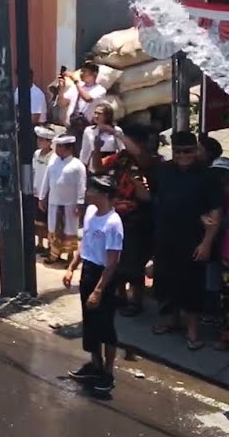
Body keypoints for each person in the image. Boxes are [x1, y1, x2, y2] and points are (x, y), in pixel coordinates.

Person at [141, 130, 221, 349]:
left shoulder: (207, 176)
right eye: (178, 152)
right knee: (165, 282)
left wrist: (206, 243)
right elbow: (153, 196)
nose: (183, 156)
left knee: (192, 286)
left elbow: (215, 213)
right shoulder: (164, 171)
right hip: (165, 237)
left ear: (195, 151)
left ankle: (192, 331)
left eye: (188, 151)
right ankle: (170, 320)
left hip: (193, 240)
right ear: (173, 152)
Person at [64, 175, 125, 394]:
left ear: (104, 194)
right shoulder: (90, 213)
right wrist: (72, 267)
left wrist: (98, 291)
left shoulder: (113, 224)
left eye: (92, 189)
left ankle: (108, 372)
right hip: (88, 271)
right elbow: (85, 242)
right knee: (89, 323)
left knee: (105, 326)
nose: (88, 192)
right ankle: (95, 365)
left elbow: (112, 263)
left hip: (103, 277)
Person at [39, 134, 87, 265]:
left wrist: (80, 203)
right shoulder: (53, 161)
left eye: (60, 146)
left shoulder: (77, 165)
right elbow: (46, 179)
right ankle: (54, 254)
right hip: (54, 202)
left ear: (68, 148)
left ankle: (71, 257)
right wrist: (42, 197)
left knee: (69, 230)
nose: (57, 149)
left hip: (70, 204)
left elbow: (81, 185)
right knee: (53, 229)